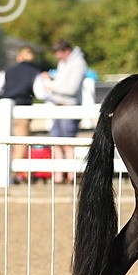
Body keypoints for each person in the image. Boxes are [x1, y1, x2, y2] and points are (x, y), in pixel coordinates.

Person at [0, 47, 43, 183]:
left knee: (3, 143)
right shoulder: (35, 72)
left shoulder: (7, 71)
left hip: (4, 111)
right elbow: (41, 93)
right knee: (20, 144)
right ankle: (15, 175)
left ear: (19, 57)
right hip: (23, 111)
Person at [36, 39, 88, 183]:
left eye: (58, 54)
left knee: (68, 142)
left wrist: (50, 85)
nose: (57, 57)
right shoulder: (63, 62)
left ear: (66, 51)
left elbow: (71, 89)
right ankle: (58, 175)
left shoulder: (79, 64)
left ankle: (71, 175)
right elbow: (61, 82)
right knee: (56, 140)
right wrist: (52, 80)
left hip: (70, 106)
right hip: (58, 105)